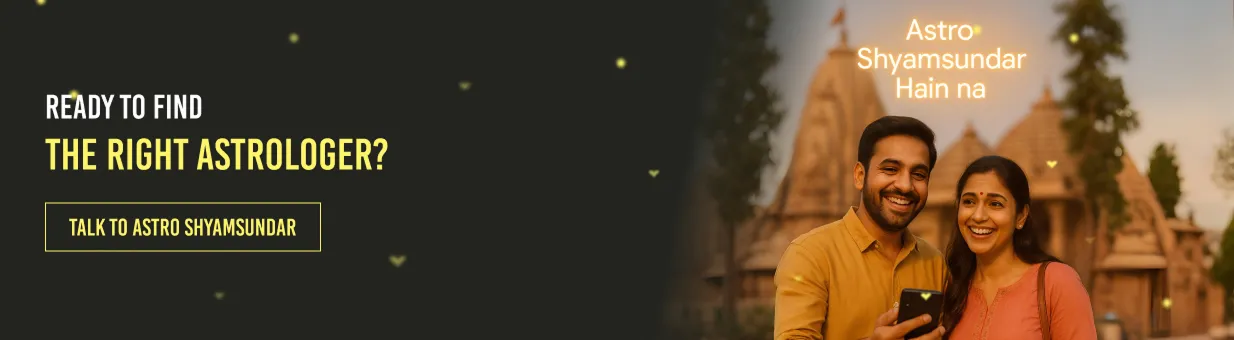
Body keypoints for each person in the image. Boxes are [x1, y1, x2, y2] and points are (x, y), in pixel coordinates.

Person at [774, 116, 947, 340]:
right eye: (891, 169)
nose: (905, 185)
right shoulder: (810, 255)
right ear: (859, 176)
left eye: (918, 174)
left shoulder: (935, 263)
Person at [939, 155, 1097, 339]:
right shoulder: (951, 290)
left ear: (1021, 217)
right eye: (969, 202)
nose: (978, 215)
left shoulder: (1056, 283)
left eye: (995, 204)